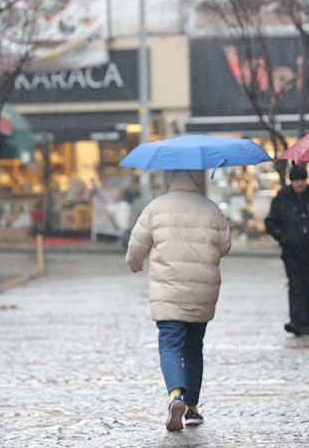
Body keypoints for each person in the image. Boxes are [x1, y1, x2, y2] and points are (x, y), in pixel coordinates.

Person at [126, 169, 232, 431]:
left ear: (168, 179)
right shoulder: (211, 208)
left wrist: (135, 264)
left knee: (171, 345)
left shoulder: (155, 208)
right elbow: (225, 245)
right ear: (195, 179)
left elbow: (136, 247)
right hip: (202, 290)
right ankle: (192, 409)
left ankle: (176, 396)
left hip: (168, 290)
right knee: (194, 348)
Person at [265, 164, 309, 336]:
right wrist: (284, 237)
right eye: (296, 180)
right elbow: (271, 222)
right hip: (291, 250)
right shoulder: (282, 198)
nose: (299, 184)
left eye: (302, 180)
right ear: (291, 181)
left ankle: (306, 322)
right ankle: (296, 320)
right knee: (295, 285)